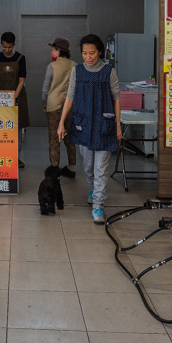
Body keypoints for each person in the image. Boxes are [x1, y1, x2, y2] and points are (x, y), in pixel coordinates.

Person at [57, 34, 122, 224]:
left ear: (99, 51)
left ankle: (99, 207)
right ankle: (93, 190)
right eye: (85, 53)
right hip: (83, 124)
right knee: (88, 165)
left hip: (104, 125)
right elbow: (69, 97)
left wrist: (118, 124)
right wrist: (61, 122)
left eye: (92, 53)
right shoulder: (77, 71)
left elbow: (117, 99)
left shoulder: (109, 72)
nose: (88, 57)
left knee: (101, 168)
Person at [0, 31, 29, 167]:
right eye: (4, 47)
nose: (7, 50)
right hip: (1, 98)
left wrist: (14, 96)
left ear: (14, 45)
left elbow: (22, 80)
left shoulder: (21, 58)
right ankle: (4, 155)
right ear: (1, 44)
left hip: (17, 97)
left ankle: (16, 157)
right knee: (3, 129)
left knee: (17, 129)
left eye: (9, 47)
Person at [41, 37, 76, 178]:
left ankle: (54, 167)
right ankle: (72, 167)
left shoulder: (52, 66)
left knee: (54, 138)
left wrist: (44, 103)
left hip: (54, 106)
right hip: (70, 105)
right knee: (70, 138)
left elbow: (45, 87)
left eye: (52, 49)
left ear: (58, 50)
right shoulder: (75, 65)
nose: (51, 52)